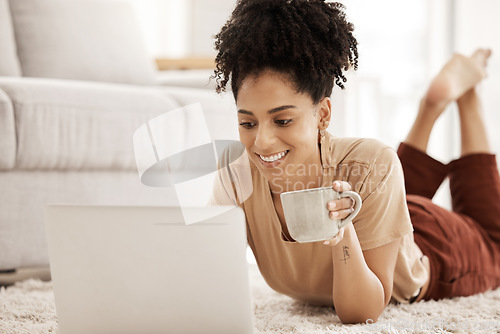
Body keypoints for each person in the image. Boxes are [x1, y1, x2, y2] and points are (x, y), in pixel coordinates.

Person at [209, 0, 500, 324]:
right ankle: (432, 105)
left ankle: (466, 97)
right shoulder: (236, 176)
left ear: (323, 114)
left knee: (495, 244)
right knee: (384, 185)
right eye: (247, 123)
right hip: (384, 215)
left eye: (283, 121)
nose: (261, 142)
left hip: (430, 246)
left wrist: (344, 233)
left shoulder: (372, 163)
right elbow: (205, 272)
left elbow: (362, 312)